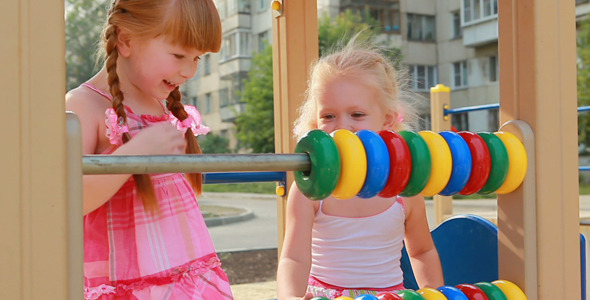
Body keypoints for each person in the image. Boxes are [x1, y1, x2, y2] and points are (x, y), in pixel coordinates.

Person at [65, 0, 233, 299]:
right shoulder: (84, 105)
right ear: (126, 40)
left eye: (197, 58)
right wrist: (132, 155)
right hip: (127, 279)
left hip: (186, 272)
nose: (190, 71)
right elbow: (67, 201)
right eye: (179, 55)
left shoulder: (159, 105)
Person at [276, 38, 444, 300]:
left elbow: (422, 251)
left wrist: (436, 295)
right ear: (315, 121)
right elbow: (294, 258)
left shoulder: (404, 187)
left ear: (387, 120)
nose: (342, 127)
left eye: (356, 115)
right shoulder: (311, 190)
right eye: (328, 116)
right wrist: (291, 297)